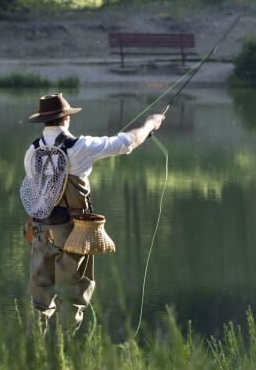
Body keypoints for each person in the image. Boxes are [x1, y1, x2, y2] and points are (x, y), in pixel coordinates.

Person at [24, 92, 165, 334]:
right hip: (73, 234)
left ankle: (32, 356)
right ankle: (64, 356)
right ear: (66, 119)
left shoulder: (32, 151)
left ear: (43, 121)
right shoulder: (81, 147)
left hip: (41, 231)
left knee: (39, 297)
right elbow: (127, 143)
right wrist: (150, 125)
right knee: (72, 296)